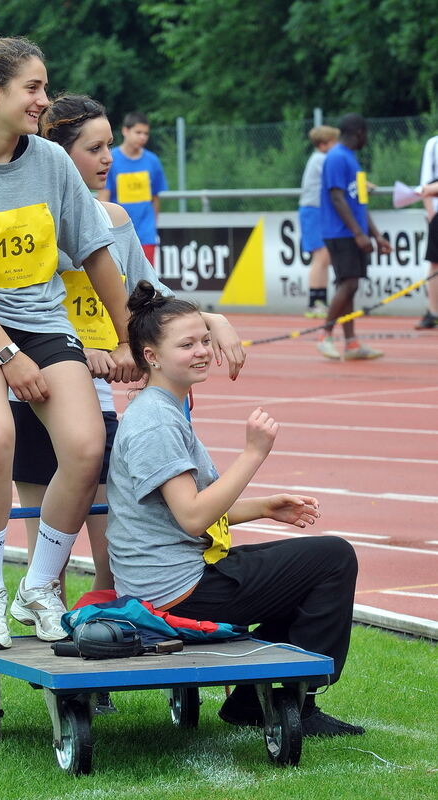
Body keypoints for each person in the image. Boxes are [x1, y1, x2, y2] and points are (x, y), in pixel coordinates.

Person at [0, 37, 136, 650]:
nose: (44, 100)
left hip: (42, 322)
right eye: (33, 88)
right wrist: (7, 356)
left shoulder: (49, 162)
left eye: (43, 87)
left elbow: (96, 253)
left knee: (88, 447)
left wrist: (130, 337)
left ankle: (38, 587)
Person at [11, 93, 246, 603]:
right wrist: (78, 352)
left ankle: (101, 632)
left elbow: (149, 298)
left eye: (110, 146)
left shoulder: (115, 219)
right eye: (94, 149)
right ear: (56, 153)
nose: (108, 159)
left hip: (93, 399)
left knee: (110, 558)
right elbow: (20, 311)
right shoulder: (32, 224)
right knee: (43, 559)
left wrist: (213, 318)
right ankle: (44, 630)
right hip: (33, 390)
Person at [105, 279, 365, 738]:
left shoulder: (162, 409)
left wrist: (265, 507)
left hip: (175, 577)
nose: (203, 351)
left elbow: (180, 514)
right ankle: (291, 704)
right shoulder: (155, 423)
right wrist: (253, 454)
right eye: (187, 344)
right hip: (177, 592)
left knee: (309, 571)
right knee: (333, 558)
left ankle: (253, 700)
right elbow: (191, 517)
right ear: (151, 356)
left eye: (204, 340)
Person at [317, 113, 392, 360]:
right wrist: (358, 234)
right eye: (366, 134)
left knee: (351, 285)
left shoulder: (352, 159)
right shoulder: (336, 158)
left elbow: (360, 201)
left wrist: (377, 235)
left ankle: (351, 344)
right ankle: (325, 335)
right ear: (359, 132)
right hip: (340, 233)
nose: (366, 139)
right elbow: (337, 198)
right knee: (348, 283)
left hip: (352, 232)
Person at [97, 111, 167, 265]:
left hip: (146, 235)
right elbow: (104, 198)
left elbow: (155, 198)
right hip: (119, 233)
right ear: (125, 131)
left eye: (146, 133)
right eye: (138, 132)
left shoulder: (153, 161)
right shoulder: (110, 159)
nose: (143, 137)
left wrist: (153, 227)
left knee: (146, 283)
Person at [299, 125, 339, 318]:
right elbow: (337, 177)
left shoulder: (322, 158)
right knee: (320, 256)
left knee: (325, 257)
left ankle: (320, 300)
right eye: (334, 142)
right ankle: (314, 302)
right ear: (323, 144)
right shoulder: (321, 159)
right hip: (313, 210)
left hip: (319, 211)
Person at [416, 135, 438, 329]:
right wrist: (431, 214)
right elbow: (425, 184)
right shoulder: (433, 144)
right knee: (435, 263)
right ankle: (434, 311)